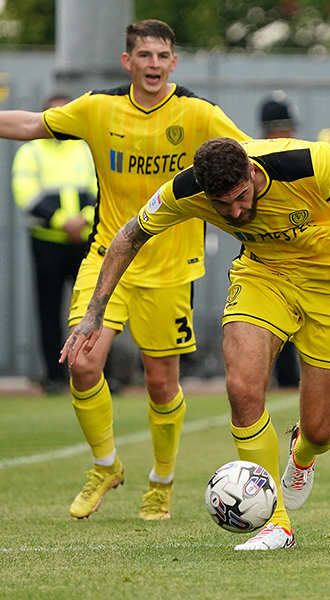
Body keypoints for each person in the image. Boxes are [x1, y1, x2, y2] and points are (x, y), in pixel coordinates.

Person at [61, 136, 330, 550]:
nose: (234, 211)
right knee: (242, 389)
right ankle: (275, 523)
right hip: (264, 277)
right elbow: (128, 235)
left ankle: (303, 455)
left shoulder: (302, 163)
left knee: (322, 432)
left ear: (252, 171)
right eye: (222, 204)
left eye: (241, 196)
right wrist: (94, 313)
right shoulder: (187, 188)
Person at [0, 19, 249, 521]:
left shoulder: (198, 113)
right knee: (83, 362)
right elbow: (30, 124)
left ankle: (161, 482)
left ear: (173, 62)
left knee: (161, 383)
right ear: (127, 61)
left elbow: (250, 154)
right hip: (107, 260)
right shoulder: (98, 108)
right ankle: (105, 465)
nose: (153, 65)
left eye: (162, 56)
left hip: (172, 269)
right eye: (145, 56)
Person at [11, 93, 97, 396]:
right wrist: (64, 222)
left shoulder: (84, 150)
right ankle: (54, 377)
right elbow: (26, 195)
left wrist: (85, 220)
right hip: (47, 242)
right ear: (44, 117)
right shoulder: (31, 151)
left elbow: (99, 191)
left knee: (94, 307)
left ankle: (97, 373)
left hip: (83, 242)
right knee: (48, 310)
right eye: (54, 115)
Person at [256, 92, 301, 388]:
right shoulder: (256, 162)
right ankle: (282, 375)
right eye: (283, 126)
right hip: (269, 252)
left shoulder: (302, 156)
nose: (289, 132)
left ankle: (290, 376)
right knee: (271, 317)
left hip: (300, 249)